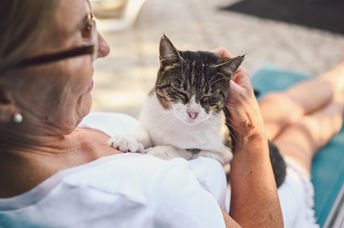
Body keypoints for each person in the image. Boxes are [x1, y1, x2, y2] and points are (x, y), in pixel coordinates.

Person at [0, 0, 342, 227]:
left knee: (279, 106)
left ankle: (337, 75)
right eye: (83, 33)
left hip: (215, 149)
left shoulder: (50, 125)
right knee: (302, 133)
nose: (104, 47)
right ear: (6, 96)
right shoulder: (148, 195)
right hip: (259, 193)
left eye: (93, 20)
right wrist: (252, 132)